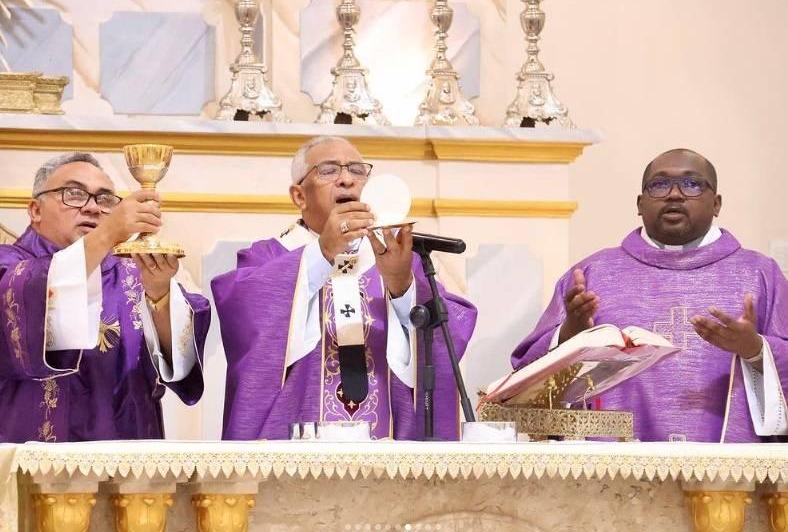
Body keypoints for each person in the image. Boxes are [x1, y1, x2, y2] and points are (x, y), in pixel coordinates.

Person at [512, 148, 788, 442]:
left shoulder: (760, 274)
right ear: (640, 203)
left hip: (726, 477)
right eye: (659, 184)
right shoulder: (592, 273)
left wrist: (756, 349)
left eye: (692, 184)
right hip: (609, 470)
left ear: (717, 203)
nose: (675, 195)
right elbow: (525, 378)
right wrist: (570, 335)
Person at [213, 136, 477, 440]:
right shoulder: (268, 259)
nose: (347, 180)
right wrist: (321, 254)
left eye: (357, 169)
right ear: (299, 195)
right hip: (295, 458)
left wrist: (402, 286)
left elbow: (448, 333)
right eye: (328, 171)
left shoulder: (401, 259)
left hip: (388, 458)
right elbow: (244, 322)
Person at [0, 153, 210, 442]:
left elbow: (181, 365)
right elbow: (25, 294)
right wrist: (109, 232)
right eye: (73, 194)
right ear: (35, 209)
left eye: (105, 199)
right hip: (33, 457)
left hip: (128, 460)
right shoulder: (9, 265)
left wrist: (160, 293)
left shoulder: (133, 271)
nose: (92, 208)